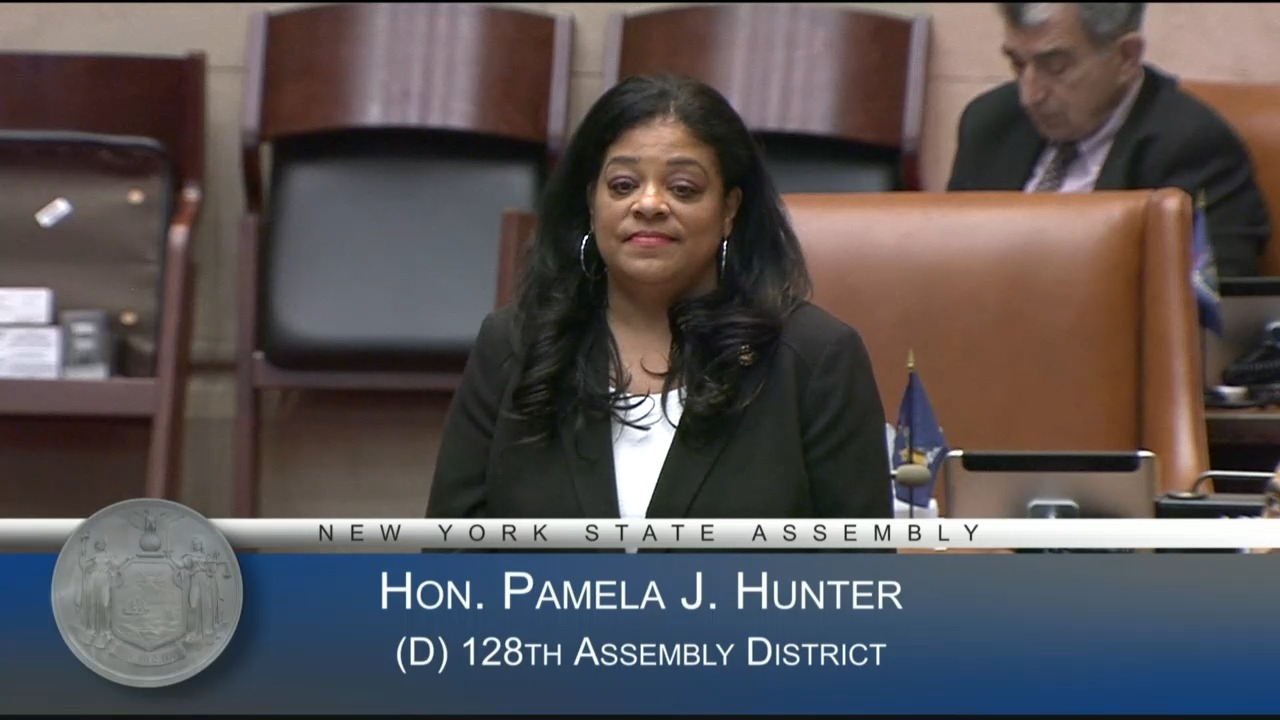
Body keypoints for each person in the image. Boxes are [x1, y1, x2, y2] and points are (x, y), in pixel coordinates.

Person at [426, 73, 892, 539]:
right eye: (623, 185)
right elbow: (453, 555)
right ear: (591, 202)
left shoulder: (815, 359)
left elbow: (855, 572)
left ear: (729, 209)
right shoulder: (512, 346)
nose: (648, 204)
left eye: (683, 188)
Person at [948, 2, 1270, 277]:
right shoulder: (991, 124)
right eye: (1018, 64)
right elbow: (948, 256)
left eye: (1056, 68)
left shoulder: (1191, 147)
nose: (1030, 95)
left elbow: (1210, 305)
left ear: (1126, 57)